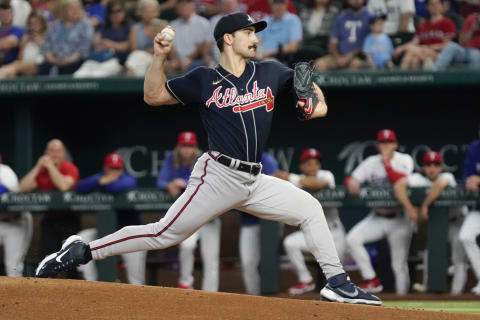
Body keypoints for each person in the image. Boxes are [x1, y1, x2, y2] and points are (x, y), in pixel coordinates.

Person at [35, 12, 381, 306]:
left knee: (310, 208)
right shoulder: (204, 79)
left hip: (254, 180)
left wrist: (315, 101)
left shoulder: (270, 72)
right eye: (248, 32)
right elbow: (153, 96)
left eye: (255, 33)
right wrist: (159, 57)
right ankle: (83, 251)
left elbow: (310, 88)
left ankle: (336, 282)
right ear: (227, 38)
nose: (255, 38)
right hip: (218, 175)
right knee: (164, 233)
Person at [345, 129, 414, 295]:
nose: (386, 146)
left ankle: (404, 302)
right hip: (377, 216)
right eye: (382, 142)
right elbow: (351, 178)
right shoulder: (370, 162)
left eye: (389, 142)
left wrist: (387, 163)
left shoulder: (404, 159)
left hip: (399, 218)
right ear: (377, 145)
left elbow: (400, 181)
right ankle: (371, 279)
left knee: (399, 265)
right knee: (353, 239)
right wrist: (351, 183)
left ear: (396, 144)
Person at [393, 151, 468, 295]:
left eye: (435, 165)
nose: (432, 168)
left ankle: (456, 296)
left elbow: (439, 185)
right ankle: (429, 291)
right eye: (428, 165)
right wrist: (410, 209)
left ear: (441, 167)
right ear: (424, 167)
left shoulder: (447, 176)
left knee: (458, 260)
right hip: (437, 225)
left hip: (456, 222)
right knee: (430, 255)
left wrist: (425, 205)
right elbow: (398, 186)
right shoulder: (417, 179)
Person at [157, 131, 221, 292]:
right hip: (190, 215)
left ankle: (211, 293)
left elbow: (208, 181)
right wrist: (168, 185)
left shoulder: (203, 158)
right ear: (179, 147)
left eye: (190, 146)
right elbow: (160, 180)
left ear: (195, 147)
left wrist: (183, 183)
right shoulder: (172, 158)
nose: (186, 149)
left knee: (210, 258)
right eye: (184, 146)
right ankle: (185, 283)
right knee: (186, 246)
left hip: (209, 215)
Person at [281, 148, 346, 295]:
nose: (313, 167)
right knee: (290, 243)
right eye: (309, 163)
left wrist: (289, 177)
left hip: (334, 233)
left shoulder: (326, 175)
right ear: (302, 166)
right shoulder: (296, 179)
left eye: (316, 163)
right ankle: (306, 280)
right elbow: (278, 178)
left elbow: (318, 184)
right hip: (313, 233)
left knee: (338, 274)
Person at [75, 153, 146, 285]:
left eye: (117, 169)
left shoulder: (129, 179)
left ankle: (138, 294)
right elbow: (79, 187)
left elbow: (116, 187)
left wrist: (103, 183)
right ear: (105, 168)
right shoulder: (100, 178)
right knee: (80, 240)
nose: (114, 172)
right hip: (105, 232)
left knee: (136, 280)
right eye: (111, 168)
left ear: (122, 169)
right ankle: (92, 284)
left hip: (131, 235)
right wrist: (99, 181)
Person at [19, 139, 80, 263]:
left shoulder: (70, 168)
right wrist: (38, 166)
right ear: (46, 153)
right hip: (50, 218)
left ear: (64, 153)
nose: (55, 154)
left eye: (58, 151)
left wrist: (50, 166)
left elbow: (63, 186)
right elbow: (22, 188)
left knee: (72, 259)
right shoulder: (42, 170)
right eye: (51, 151)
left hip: (70, 217)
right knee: (46, 258)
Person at [238, 151, 280, 295]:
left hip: (269, 222)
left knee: (268, 264)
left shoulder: (266, 159)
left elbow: (274, 185)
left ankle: (270, 300)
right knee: (247, 264)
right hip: (250, 222)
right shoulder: (234, 159)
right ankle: (253, 298)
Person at [73, 0, 131, 78]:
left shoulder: (129, 26)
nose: (115, 14)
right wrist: (100, 44)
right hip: (97, 59)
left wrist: (110, 44)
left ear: (124, 12)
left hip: (115, 61)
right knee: (78, 76)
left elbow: (129, 46)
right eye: (111, 11)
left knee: (97, 75)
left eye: (118, 11)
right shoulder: (104, 27)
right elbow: (95, 43)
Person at [392, 0, 455, 70]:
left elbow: (447, 45)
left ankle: (400, 75)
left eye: (437, 4)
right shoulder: (423, 25)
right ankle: (412, 78)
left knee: (412, 51)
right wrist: (401, 48)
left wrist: (428, 47)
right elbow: (414, 42)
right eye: (431, 4)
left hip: (439, 55)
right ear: (427, 7)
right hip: (421, 53)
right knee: (414, 60)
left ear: (442, 6)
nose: (434, 6)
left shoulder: (447, 22)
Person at [314, 0, 375, 71]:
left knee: (355, 65)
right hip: (338, 55)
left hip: (360, 57)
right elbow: (333, 42)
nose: (356, 1)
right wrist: (337, 57)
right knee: (319, 64)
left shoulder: (371, 17)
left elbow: (370, 41)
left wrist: (350, 55)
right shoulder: (341, 17)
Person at [38, 0, 94, 75]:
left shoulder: (86, 25)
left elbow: (83, 49)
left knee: (69, 70)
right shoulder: (55, 25)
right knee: (42, 69)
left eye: (78, 8)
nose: (76, 11)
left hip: (75, 61)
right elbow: (46, 46)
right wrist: (53, 59)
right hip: (53, 61)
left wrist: (67, 60)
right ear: (64, 10)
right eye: (72, 9)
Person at [0, 154, 33, 277]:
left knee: (12, 267)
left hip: (15, 222)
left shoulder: (5, 171)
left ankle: (17, 296)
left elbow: (7, 188)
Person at [459, 123, 480, 295]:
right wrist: (469, 181)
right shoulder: (474, 148)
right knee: (466, 236)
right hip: (478, 207)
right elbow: (466, 174)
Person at [166, 0, 211, 73]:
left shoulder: (202, 23)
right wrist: (174, 59)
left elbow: (201, 46)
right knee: (167, 66)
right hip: (178, 59)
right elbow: (170, 46)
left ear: (192, 6)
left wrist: (189, 59)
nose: (182, 8)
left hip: (196, 59)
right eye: (180, 6)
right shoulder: (172, 24)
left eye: (185, 5)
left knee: (194, 66)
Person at [125, 0, 167, 77]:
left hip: (157, 58)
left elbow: (164, 47)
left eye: (152, 11)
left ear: (156, 12)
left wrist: (157, 35)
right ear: (140, 12)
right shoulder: (135, 28)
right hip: (140, 58)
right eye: (146, 12)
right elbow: (134, 49)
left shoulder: (162, 25)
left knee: (136, 61)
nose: (149, 15)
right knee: (137, 58)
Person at [0, 10, 47, 78]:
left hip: (39, 65)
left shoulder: (47, 36)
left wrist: (38, 41)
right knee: (10, 72)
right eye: (31, 23)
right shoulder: (26, 37)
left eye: (36, 23)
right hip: (23, 65)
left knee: (13, 67)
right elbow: (20, 57)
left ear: (42, 23)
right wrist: (23, 45)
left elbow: (49, 55)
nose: (33, 26)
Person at [258, 0, 302, 64]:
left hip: (279, 59)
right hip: (260, 56)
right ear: (271, 5)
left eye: (281, 3)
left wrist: (269, 53)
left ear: (286, 4)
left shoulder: (293, 20)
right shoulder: (265, 20)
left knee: (268, 63)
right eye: (275, 3)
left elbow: (293, 47)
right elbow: (257, 40)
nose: (278, 6)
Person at [0, 1, 25, 67]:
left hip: (11, 65)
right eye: (3, 15)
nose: (5, 17)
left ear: (13, 14)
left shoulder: (19, 30)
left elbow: (8, 43)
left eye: (8, 14)